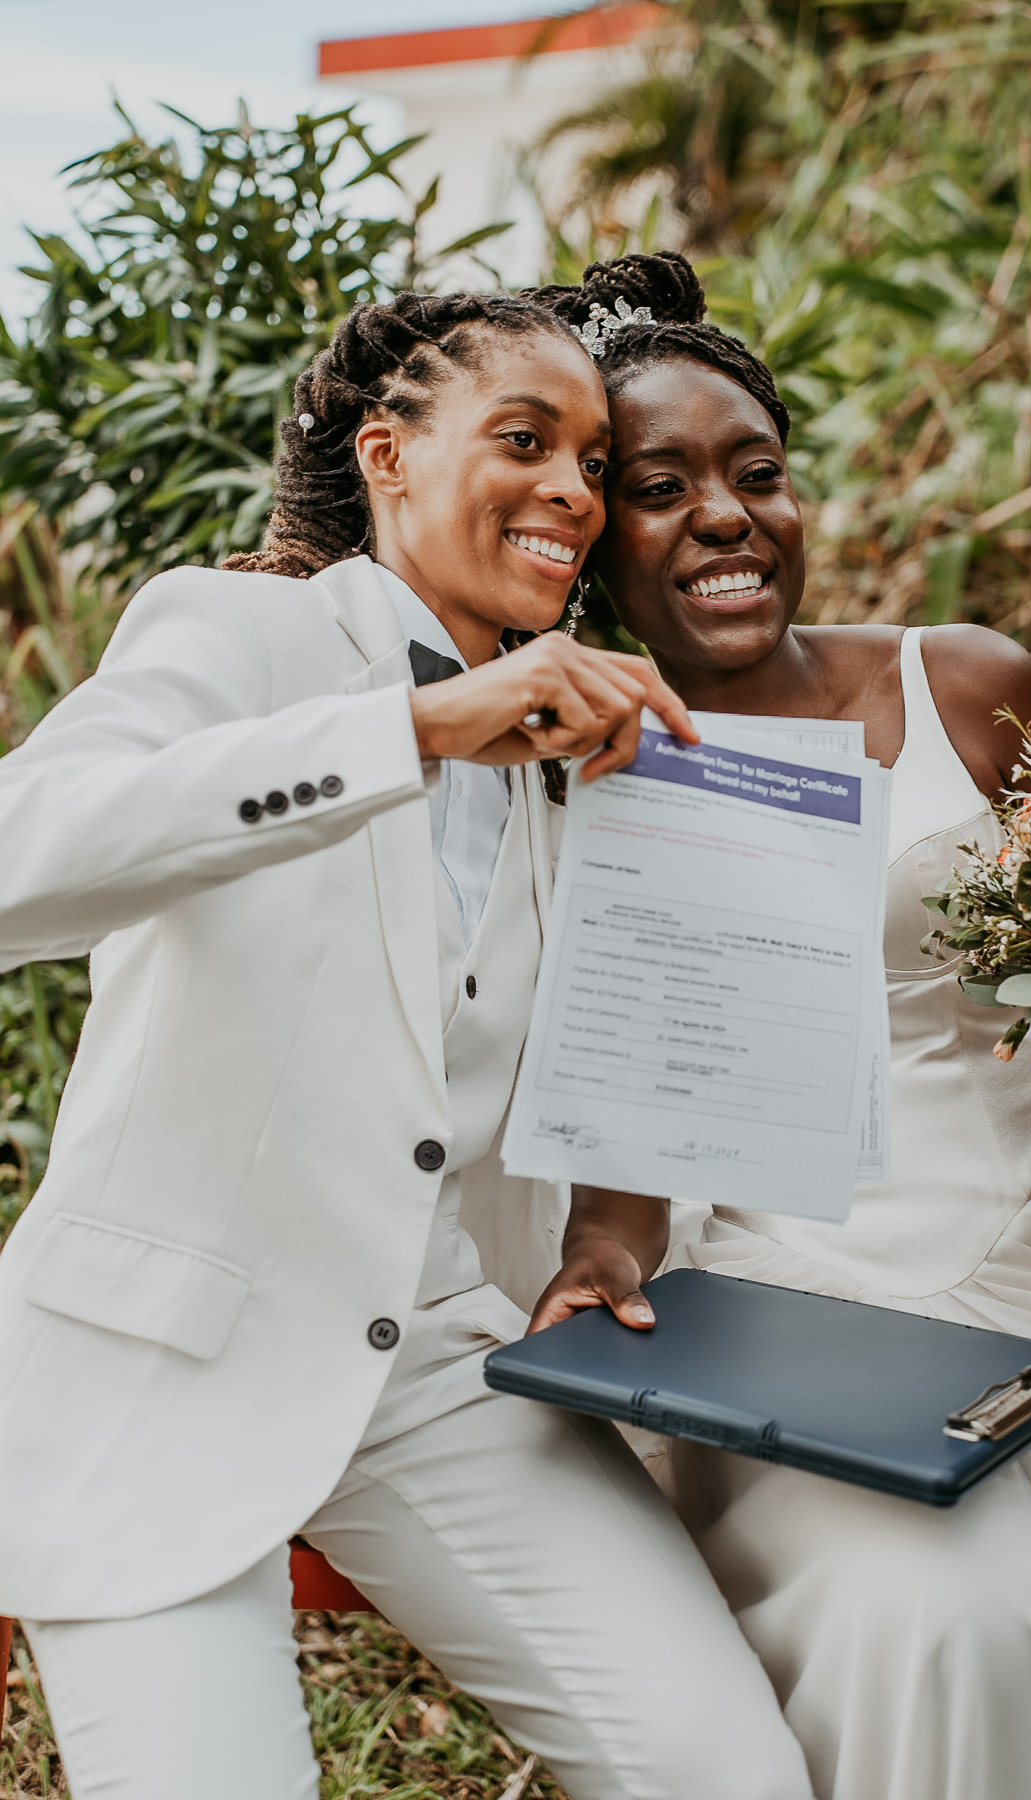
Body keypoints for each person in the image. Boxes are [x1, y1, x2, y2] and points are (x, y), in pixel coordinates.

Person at [0, 289, 814, 1800]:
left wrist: (612, 1244)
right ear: (388, 452)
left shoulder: (594, 751)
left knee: (731, 1776)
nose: (570, 489)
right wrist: (413, 733)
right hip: (166, 1363)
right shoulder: (242, 632)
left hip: (440, 1363)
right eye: (525, 441)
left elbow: (635, 1057)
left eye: (590, 458)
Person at [530, 253, 1031, 1800]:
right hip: (801, 1296)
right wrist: (606, 1262)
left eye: (756, 472)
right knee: (942, 1623)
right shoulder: (575, 771)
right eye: (659, 484)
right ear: (587, 537)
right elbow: (628, 1162)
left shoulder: (964, 684)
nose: (724, 515)